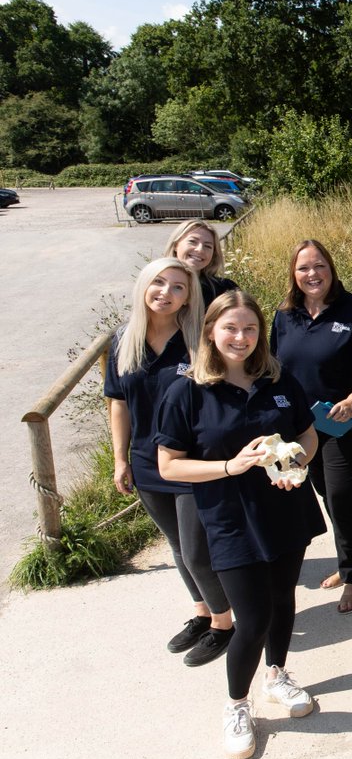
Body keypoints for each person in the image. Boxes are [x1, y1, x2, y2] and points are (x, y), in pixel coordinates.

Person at [156, 290, 326, 759]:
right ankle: (236, 705)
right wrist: (231, 466)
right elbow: (169, 466)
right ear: (211, 330)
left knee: (282, 600)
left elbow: (306, 434)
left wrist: (297, 464)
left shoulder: (277, 377)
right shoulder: (187, 390)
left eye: (250, 328)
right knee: (251, 619)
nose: (241, 337)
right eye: (231, 327)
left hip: (285, 509)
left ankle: (276, 675)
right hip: (230, 519)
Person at [106, 257, 234, 667]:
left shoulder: (198, 339)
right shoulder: (122, 341)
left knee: (197, 551)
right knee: (178, 547)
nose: (167, 293)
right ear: (144, 286)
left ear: (188, 297)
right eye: (159, 283)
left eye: (178, 287)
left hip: (189, 462)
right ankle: (202, 612)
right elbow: (119, 404)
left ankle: (224, 624)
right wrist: (119, 459)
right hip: (145, 462)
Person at [270, 239, 352, 615]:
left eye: (319, 266)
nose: (312, 274)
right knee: (324, 489)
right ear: (293, 274)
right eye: (303, 268)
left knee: (342, 495)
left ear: (331, 268)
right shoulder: (285, 316)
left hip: (350, 423)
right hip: (303, 428)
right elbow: (274, 370)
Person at [164, 219, 239, 306]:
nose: (200, 249)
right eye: (192, 241)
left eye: (207, 246)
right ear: (175, 245)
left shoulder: (224, 289)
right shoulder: (156, 284)